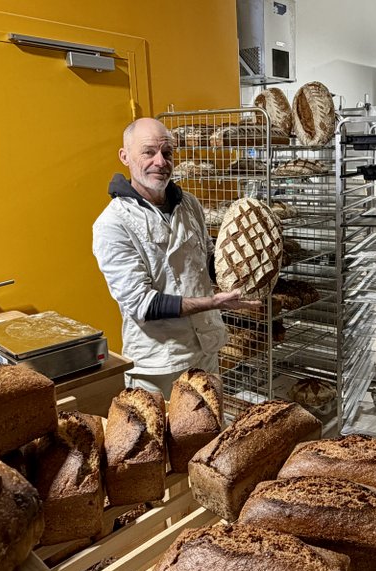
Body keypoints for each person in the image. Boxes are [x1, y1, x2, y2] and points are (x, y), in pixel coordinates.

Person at [92, 117, 260, 397]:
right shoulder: (113, 223)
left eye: (167, 153)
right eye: (149, 152)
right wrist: (213, 302)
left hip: (205, 350)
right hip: (160, 364)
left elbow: (206, 259)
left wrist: (245, 264)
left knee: (211, 422)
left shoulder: (189, 204)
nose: (160, 162)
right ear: (125, 156)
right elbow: (143, 304)